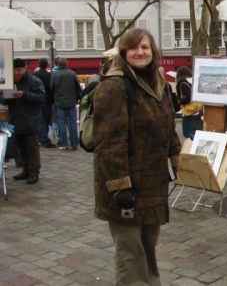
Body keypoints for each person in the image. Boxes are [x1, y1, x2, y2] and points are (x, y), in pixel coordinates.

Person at [92, 28, 181, 285]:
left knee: (148, 244)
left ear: (153, 51)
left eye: (144, 47)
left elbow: (168, 126)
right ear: (123, 52)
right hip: (125, 185)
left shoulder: (159, 83)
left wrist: (176, 158)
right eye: (133, 48)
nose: (139, 52)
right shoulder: (114, 86)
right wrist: (120, 186)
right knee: (130, 250)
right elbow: (109, 142)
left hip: (152, 182)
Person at [0, 58, 45, 184]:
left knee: (32, 148)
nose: (16, 73)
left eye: (19, 70)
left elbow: (41, 98)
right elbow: (2, 99)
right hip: (16, 119)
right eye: (14, 70)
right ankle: (25, 170)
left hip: (30, 119)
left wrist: (24, 95)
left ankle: (34, 172)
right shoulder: (8, 81)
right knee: (21, 148)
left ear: (25, 69)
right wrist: (8, 97)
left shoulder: (34, 81)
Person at [50, 57, 82, 150]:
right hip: (71, 100)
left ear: (58, 64)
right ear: (67, 63)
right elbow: (77, 86)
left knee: (62, 122)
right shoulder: (72, 73)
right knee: (72, 122)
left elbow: (51, 87)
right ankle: (74, 143)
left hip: (59, 101)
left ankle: (64, 143)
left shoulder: (55, 74)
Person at [32, 58, 56, 148]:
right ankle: (44, 139)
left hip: (37, 101)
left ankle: (41, 138)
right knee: (45, 120)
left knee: (40, 120)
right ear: (47, 65)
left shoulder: (34, 75)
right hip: (47, 100)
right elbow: (52, 88)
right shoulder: (50, 75)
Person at [176, 66, 201, 140]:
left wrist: (180, 101)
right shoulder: (190, 82)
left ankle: (197, 143)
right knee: (192, 131)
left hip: (188, 111)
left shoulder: (182, 83)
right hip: (194, 110)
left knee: (187, 133)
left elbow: (189, 96)